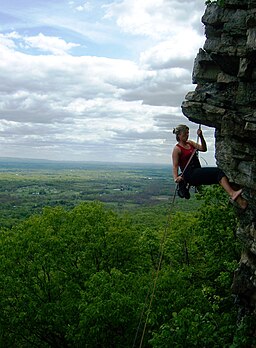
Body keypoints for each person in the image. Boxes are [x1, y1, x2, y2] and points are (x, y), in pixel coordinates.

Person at [172, 124, 248, 209]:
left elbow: (203, 149)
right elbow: (175, 166)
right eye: (185, 134)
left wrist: (201, 136)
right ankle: (232, 193)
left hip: (197, 171)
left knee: (223, 177)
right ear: (179, 135)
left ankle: (242, 203)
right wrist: (176, 178)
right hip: (190, 174)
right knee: (218, 172)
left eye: (188, 133)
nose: (187, 135)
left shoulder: (190, 143)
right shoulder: (177, 149)